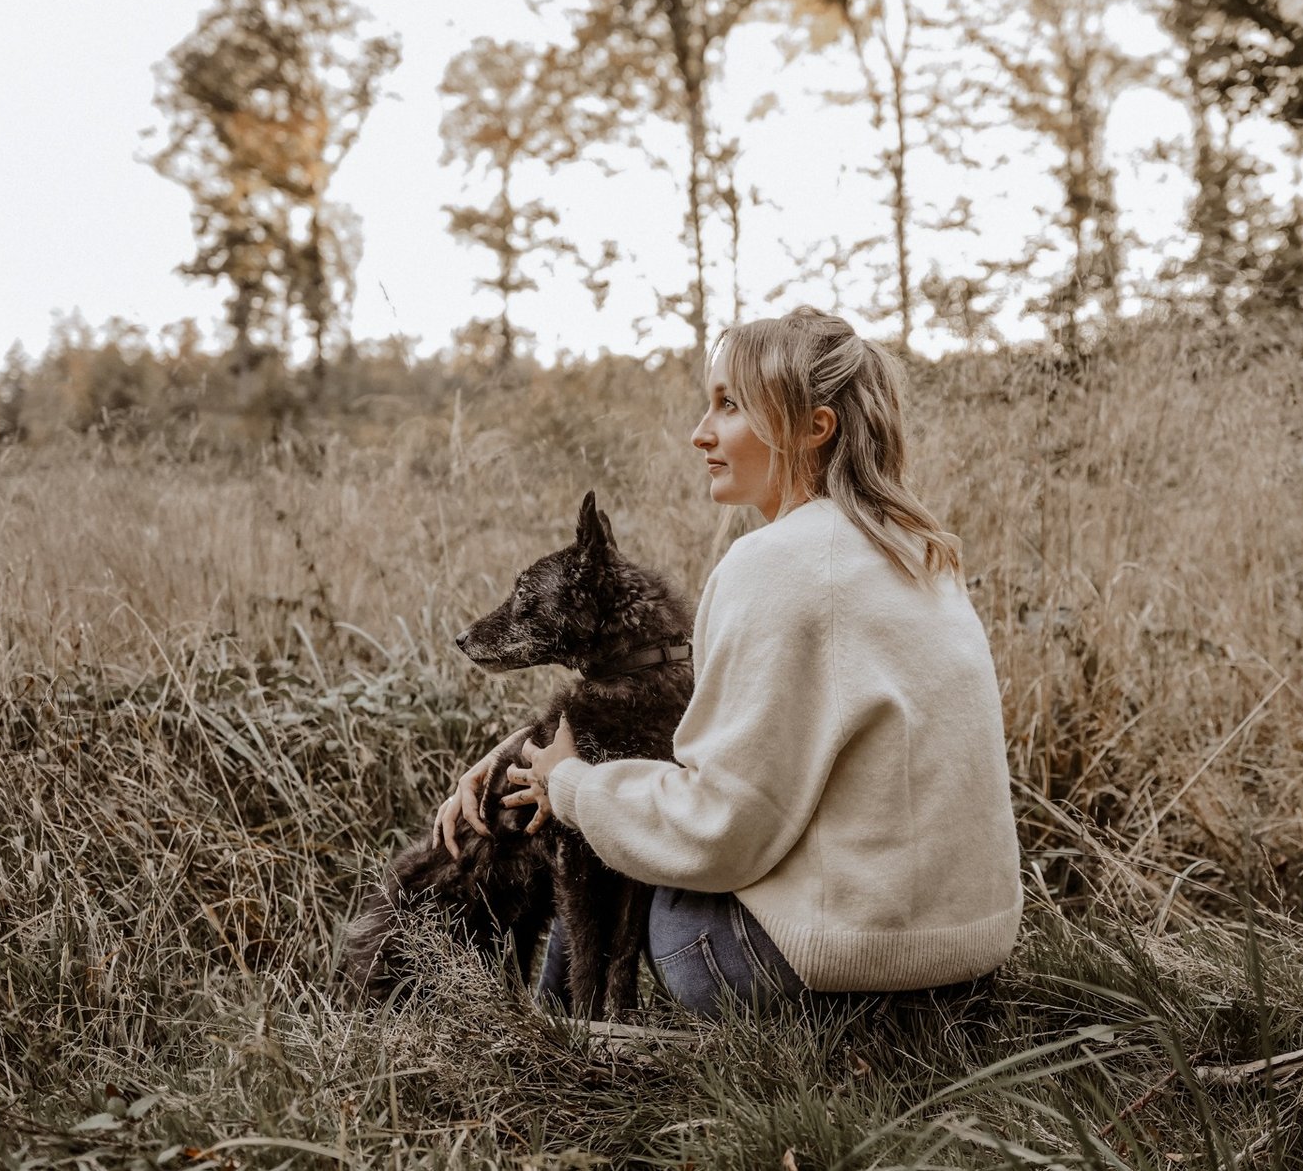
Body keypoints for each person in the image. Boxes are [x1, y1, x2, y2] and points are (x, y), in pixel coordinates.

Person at [431, 306, 1022, 1016]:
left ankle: (568, 1025)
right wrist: (522, 754)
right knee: (612, 806)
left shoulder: (772, 562)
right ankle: (567, 1016)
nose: (700, 432)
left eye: (729, 404)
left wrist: (573, 789)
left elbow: (719, 826)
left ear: (813, 428)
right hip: (963, 958)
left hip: (838, 966)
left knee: (609, 840)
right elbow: (750, 725)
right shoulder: (919, 554)